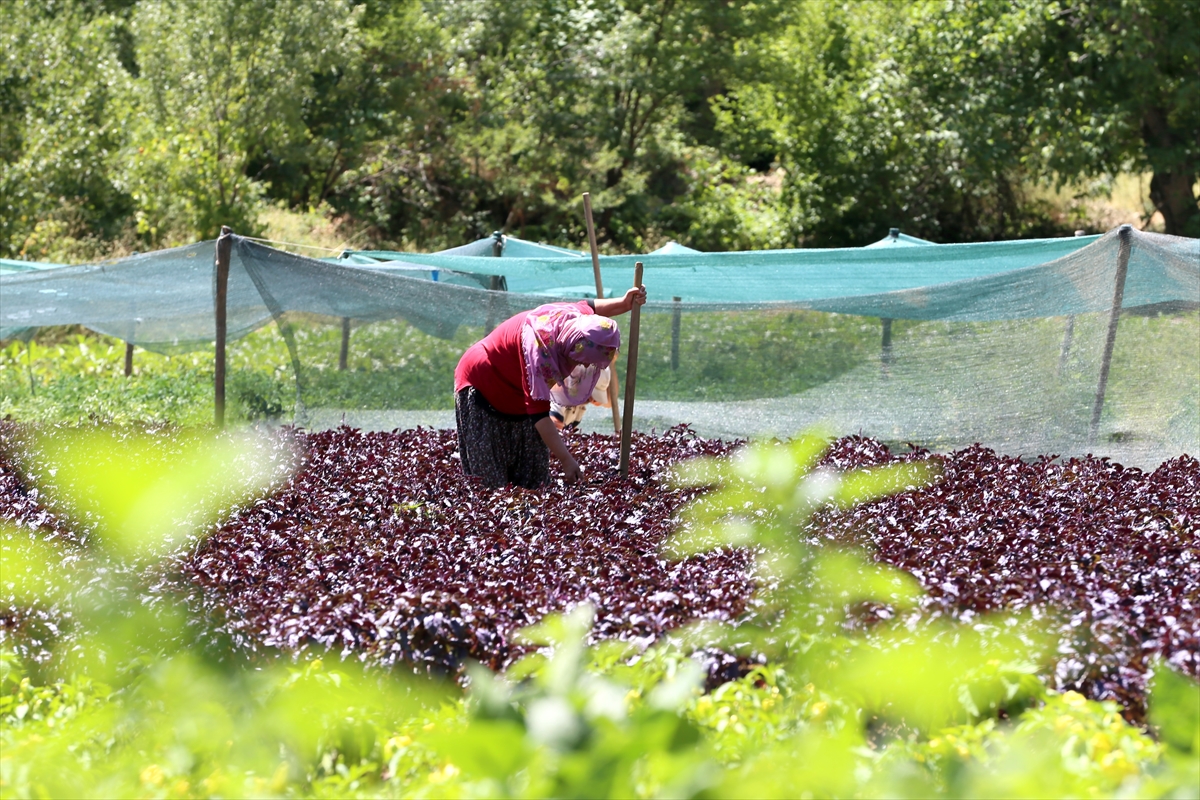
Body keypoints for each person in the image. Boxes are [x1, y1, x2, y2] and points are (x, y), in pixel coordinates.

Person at [453, 287, 646, 488]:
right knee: (489, 484)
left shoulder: (577, 320)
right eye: (582, 360)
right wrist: (566, 460)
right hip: (484, 386)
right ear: (571, 346)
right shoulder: (540, 351)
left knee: (533, 481)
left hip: (520, 397)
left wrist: (624, 303)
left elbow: (590, 306)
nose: (585, 366)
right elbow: (539, 414)